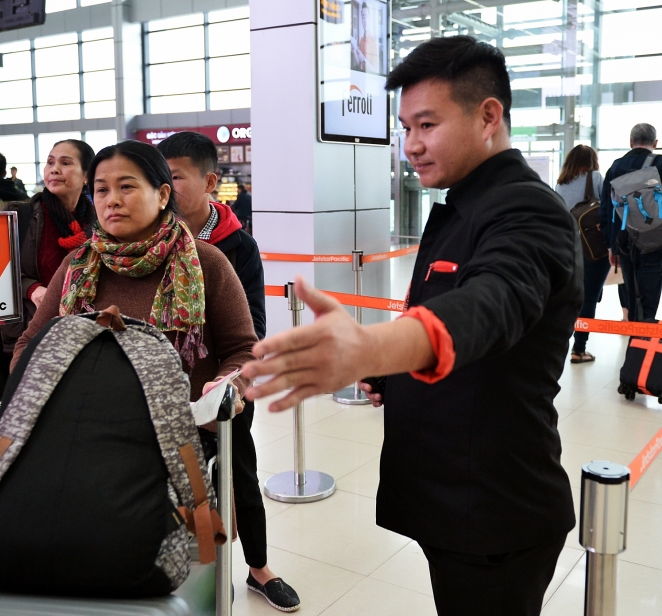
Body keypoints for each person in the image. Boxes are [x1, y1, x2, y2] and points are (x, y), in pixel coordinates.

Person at [243, 36, 581, 616]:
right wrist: (392, 373)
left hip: (493, 511)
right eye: (405, 128)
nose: (412, 146)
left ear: (488, 116)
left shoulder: (528, 210)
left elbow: (491, 304)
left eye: (426, 125)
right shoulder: (461, 205)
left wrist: (373, 347)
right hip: (451, 500)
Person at [157, 132, 299, 613]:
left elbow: (253, 329)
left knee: (239, 472)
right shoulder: (149, 242)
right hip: (163, 389)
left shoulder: (238, 246)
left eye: (175, 176)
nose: (165, 187)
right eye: (159, 176)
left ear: (210, 181)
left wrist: (226, 379)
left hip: (225, 389)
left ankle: (258, 569)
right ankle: (179, 571)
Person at [11, 140, 257, 417]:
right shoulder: (78, 264)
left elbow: (243, 348)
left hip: (182, 434)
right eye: (102, 189)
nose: (112, 200)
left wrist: (227, 385)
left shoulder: (205, 261)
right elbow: (30, 341)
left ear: (163, 195)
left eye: (126, 187)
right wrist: (37, 385)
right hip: (88, 431)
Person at [0, 139, 97, 354]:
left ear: (87, 175)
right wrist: (32, 290)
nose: (54, 169)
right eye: (50, 162)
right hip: (31, 334)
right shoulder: (20, 217)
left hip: (83, 336)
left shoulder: (98, 224)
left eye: (65, 163)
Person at [600, 123, 662, 322]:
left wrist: (611, 246)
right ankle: (646, 336)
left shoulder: (616, 166)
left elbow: (606, 209)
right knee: (650, 290)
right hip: (656, 239)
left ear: (630, 142)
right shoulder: (660, 163)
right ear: (655, 143)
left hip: (624, 239)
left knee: (631, 289)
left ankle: (635, 335)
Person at [555, 145, 608, 364]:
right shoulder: (595, 177)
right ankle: (579, 349)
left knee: (573, 297)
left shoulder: (561, 183)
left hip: (568, 247)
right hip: (594, 248)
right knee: (589, 298)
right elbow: (607, 208)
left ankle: (562, 345)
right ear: (591, 160)